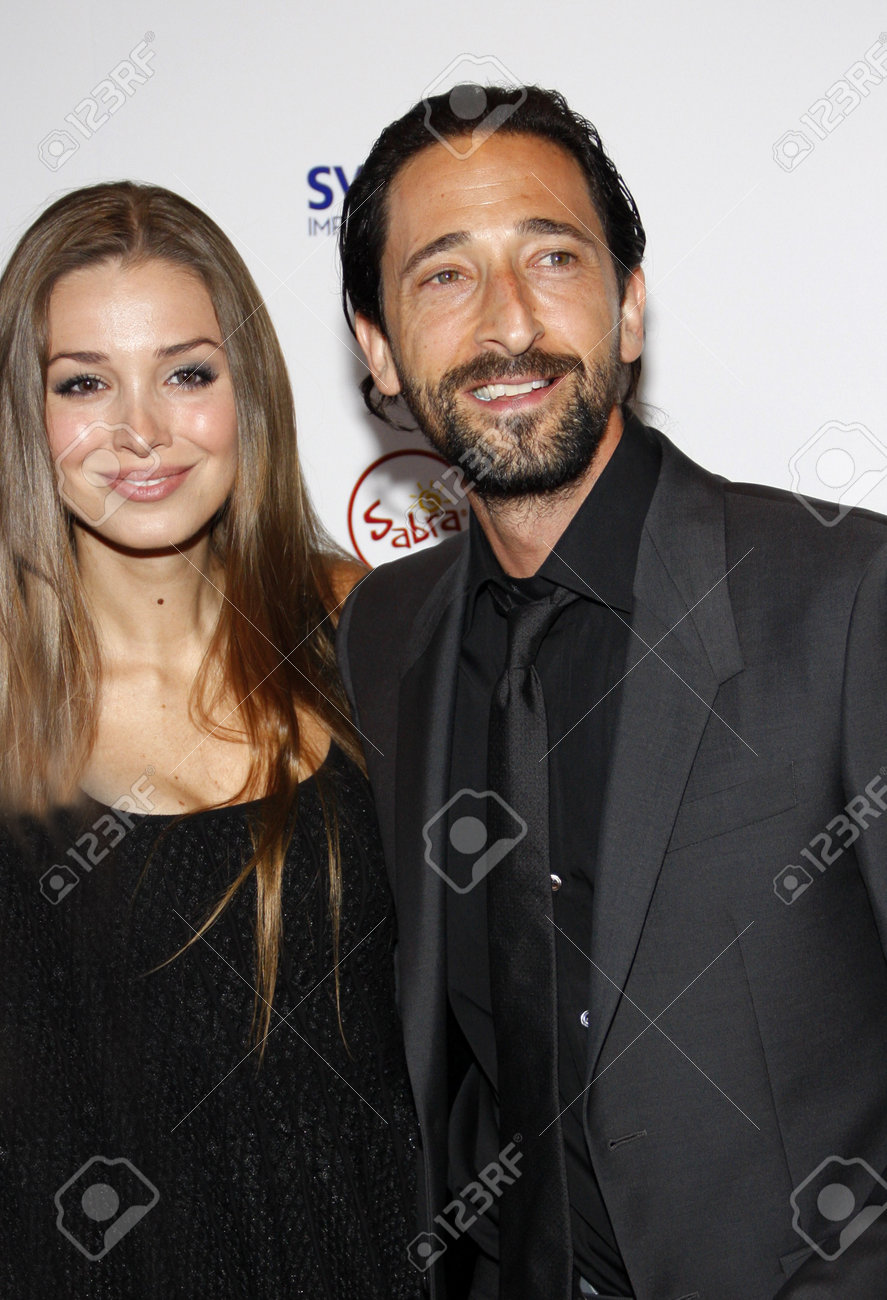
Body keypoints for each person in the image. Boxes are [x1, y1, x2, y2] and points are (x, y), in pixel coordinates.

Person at [335, 85, 887, 1299]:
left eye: (551, 257)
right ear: (375, 346)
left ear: (629, 307)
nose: (508, 324)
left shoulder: (847, 596)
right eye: (442, 276)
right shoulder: (378, 637)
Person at [0, 181, 420, 1298]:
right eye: (82, 383)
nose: (141, 431)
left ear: (249, 390)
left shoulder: (361, 628)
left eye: (187, 373)